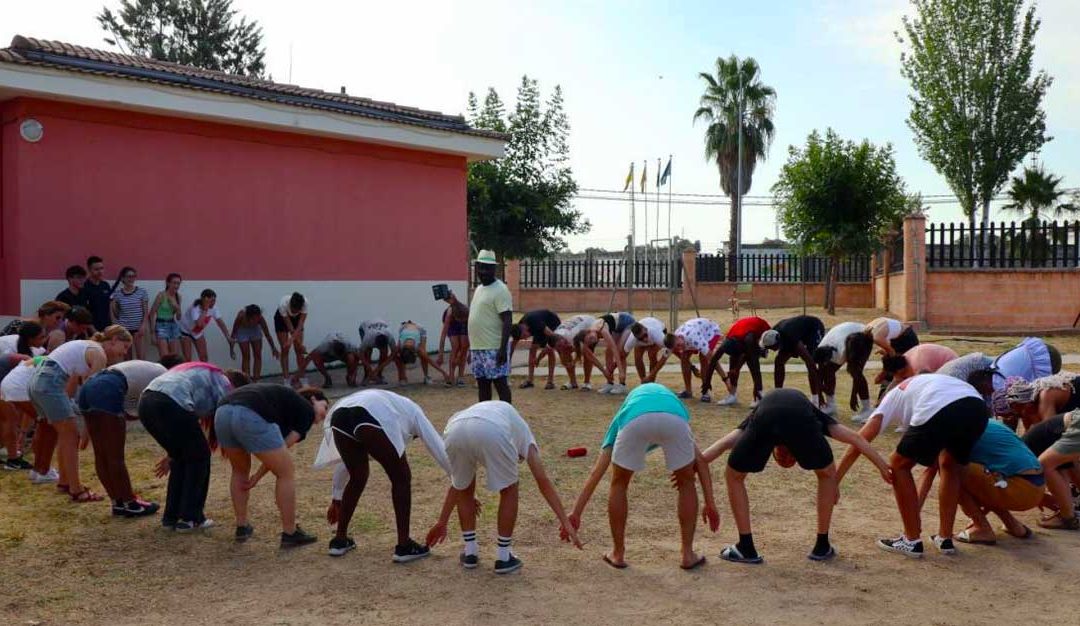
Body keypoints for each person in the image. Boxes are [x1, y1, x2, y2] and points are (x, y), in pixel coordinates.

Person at [702, 388, 892, 563]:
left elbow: (721, 445)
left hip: (773, 412)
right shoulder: (808, 416)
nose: (786, 457)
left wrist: (883, 466)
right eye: (787, 457)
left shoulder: (759, 418)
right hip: (793, 412)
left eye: (788, 456)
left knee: (734, 475)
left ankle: (746, 547)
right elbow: (855, 438)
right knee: (826, 473)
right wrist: (882, 466)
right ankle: (822, 546)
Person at [835, 374, 989, 558]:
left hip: (941, 405)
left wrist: (834, 480)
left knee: (898, 464)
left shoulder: (890, 400)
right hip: (978, 409)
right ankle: (945, 538)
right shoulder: (924, 383)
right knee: (949, 465)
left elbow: (858, 441)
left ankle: (911, 540)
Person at [568, 383, 720, 569]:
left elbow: (597, 471)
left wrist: (576, 512)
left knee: (619, 483)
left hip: (635, 420)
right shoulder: (672, 404)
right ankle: (687, 554)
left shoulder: (627, 410)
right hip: (674, 421)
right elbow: (701, 462)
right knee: (686, 482)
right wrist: (710, 502)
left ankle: (618, 553)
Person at [426, 401, 581, 573]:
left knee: (465, 487)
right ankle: (504, 556)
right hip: (491, 429)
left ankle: (470, 552)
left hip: (454, 428)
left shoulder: (505, 417)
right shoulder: (525, 437)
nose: (518, 461)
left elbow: (457, 485)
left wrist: (442, 521)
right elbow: (542, 481)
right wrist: (564, 521)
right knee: (510, 488)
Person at [313, 389, 454, 561]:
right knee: (401, 477)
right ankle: (404, 545)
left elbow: (344, 465)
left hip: (339, 414)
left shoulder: (395, 404)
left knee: (358, 475)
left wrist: (336, 497)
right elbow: (438, 447)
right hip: (370, 414)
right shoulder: (415, 412)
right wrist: (459, 483)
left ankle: (339, 540)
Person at [139, 362, 249, 532]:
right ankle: (191, 518)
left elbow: (187, 425)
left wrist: (171, 453)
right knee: (200, 457)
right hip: (172, 402)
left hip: (146, 402)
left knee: (182, 458)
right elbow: (226, 415)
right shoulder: (224, 384)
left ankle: (171, 517)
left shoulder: (202, 373)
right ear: (237, 387)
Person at [214, 383, 327, 548]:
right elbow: (280, 456)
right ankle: (290, 533)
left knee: (239, 471)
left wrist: (255, 478)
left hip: (222, 412)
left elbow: (274, 454)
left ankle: (242, 527)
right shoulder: (306, 411)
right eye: (325, 406)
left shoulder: (283, 405)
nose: (324, 415)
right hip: (248, 413)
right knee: (286, 473)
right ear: (313, 399)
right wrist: (257, 478)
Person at [28, 327, 133, 503]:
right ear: (114, 339)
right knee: (70, 436)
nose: (125, 353)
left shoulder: (86, 347)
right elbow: (92, 394)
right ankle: (76, 489)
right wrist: (86, 431)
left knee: (65, 434)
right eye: (125, 346)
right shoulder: (99, 354)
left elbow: (74, 385)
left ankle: (64, 482)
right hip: (49, 383)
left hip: (37, 383)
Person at [921, 420, 1044, 544]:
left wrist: (912, 524)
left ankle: (981, 527)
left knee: (950, 470)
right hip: (1035, 486)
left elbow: (928, 475)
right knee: (985, 476)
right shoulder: (986, 421)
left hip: (1018, 488)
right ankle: (1013, 525)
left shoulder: (955, 429)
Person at [76, 359, 168, 517]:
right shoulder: (165, 377)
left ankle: (117, 502)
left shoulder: (146, 372)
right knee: (115, 456)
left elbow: (131, 409)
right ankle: (130, 503)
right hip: (108, 387)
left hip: (88, 387)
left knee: (101, 454)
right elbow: (155, 411)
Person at [0, 323, 48, 470]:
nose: (44, 340)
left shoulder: (34, 353)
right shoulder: (24, 357)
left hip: (5, 382)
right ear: (30, 339)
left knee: (8, 418)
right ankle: (13, 459)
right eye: (41, 337)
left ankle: (10, 453)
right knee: (11, 418)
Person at [468, 250, 513, 403]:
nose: (484, 271)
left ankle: (507, 418)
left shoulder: (501, 290)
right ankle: (485, 418)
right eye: (481, 267)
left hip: (494, 347)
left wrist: (502, 349)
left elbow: (507, 320)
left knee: (500, 384)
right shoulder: (479, 289)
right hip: (478, 347)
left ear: (494, 269)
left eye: (488, 268)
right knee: (482, 385)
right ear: (477, 267)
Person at [1022, 412, 1080, 530]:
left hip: (1075, 424)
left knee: (1044, 464)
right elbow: (1070, 470)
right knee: (1053, 465)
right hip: (1070, 423)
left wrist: (1038, 497)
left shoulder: (1021, 454)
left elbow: (1018, 481)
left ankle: (1067, 518)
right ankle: (1067, 514)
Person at [1, 356, 52, 481]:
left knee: (10, 418)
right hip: (11, 385)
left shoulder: (38, 360)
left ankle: (33, 466)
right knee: (44, 423)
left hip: (8, 384)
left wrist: (23, 434)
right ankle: (17, 461)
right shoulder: (47, 363)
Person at [652, 318, 727, 401]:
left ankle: (705, 392)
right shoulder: (674, 341)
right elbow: (663, 359)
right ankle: (688, 391)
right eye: (676, 348)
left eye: (679, 345)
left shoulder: (693, 337)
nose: (680, 349)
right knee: (684, 357)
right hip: (693, 334)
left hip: (710, 332)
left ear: (678, 337)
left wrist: (725, 379)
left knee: (703, 358)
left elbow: (712, 358)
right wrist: (651, 375)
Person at [704, 316, 770, 407]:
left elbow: (750, 358)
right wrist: (707, 381)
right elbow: (713, 361)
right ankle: (732, 395)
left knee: (753, 364)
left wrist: (737, 369)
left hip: (759, 331)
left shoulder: (749, 340)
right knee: (733, 365)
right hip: (740, 333)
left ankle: (759, 395)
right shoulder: (726, 344)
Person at [812, 321, 874, 421]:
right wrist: (819, 394)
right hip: (843, 334)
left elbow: (857, 373)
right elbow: (819, 374)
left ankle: (867, 409)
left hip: (864, 336)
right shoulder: (822, 348)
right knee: (827, 371)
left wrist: (853, 395)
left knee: (856, 372)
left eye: (825, 362)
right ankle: (831, 405)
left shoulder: (845, 350)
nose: (824, 365)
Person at [759, 315, 826, 400]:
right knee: (779, 361)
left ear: (777, 344)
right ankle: (778, 394)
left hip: (813, 328)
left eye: (771, 348)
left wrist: (820, 394)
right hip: (795, 332)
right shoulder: (773, 333)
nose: (771, 350)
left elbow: (810, 364)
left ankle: (816, 398)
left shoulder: (792, 339)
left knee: (812, 360)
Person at [992, 373, 1080, 433]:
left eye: (1015, 415)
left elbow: (1053, 434)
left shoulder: (1045, 397)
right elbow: (1029, 435)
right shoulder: (1027, 403)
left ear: (1016, 404)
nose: (1017, 418)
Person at [574, 316, 632, 396]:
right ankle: (610, 383)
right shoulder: (587, 339)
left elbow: (614, 349)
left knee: (620, 351)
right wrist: (604, 372)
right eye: (590, 342)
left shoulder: (602, 330)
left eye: (591, 338)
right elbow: (592, 358)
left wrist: (620, 371)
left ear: (589, 331)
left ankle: (622, 384)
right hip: (615, 327)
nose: (593, 340)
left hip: (626, 322)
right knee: (608, 352)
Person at [179, 289, 235, 363]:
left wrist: (228, 336)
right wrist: (205, 309)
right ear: (204, 300)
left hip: (197, 333)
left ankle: (205, 373)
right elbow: (199, 324)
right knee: (187, 359)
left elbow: (220, 323)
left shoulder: (214, 308)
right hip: (185, 332)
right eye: (211, 301)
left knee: (204, 357)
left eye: (214, 301)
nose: (213, 303)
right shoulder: (195, 308)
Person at [510, 309, 561, 390]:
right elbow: (513, 345)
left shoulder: (536, 322)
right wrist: (508, 363)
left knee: (550, 350)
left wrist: (539, 358)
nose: (526, 339)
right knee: (532, 349)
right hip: (539, 325)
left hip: (552, 323)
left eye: (524, 336)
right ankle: (530, 380)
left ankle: (550, 382)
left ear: (524, 329)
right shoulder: (519, 327)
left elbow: (553, 337)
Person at [109, 266, 149, 360]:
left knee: (141, 358)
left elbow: (145, 311)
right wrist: (116, 325)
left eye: (133, 276)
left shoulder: (142, 292)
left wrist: (143, 325)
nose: (131, 279)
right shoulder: (117, 294)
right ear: (123, 278)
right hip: (124, 330)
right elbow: (112, 310)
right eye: (128, 276)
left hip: (138, 328)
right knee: (127, 358)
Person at [230, 305, 279, 382]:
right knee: (246, 356)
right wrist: (231, 349)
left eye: (257, 318)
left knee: (258, 354)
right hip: (242, 331)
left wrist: (273, 348)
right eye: (253, 319)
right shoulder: (241, 317)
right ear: (248, 316)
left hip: (255, 330)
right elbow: (233, 333)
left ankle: (256, 380)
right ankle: (247, 380)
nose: (256, 320)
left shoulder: (260, 319)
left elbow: (267, 334)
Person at [876, 344, 959, 387]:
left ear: (901, 370)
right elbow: (896, 383)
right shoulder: (903, 360)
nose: (901, 377)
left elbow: (925, 386)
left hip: (951, 367)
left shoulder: (919, 366)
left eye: (903, 375)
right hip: (935, 369)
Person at [549, 315, 596, 390]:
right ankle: (572, 382)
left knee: (587, 353)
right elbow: (562, 355)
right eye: (559, 347)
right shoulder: (555, 338)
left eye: (562, 345)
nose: (561, 348)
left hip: (589, 323)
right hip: (577, 323)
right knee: (566, 354)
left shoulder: (571, 336)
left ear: (563, 340)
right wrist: (566, 361)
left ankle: (587, 382)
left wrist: (573, 362)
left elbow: (580, 352)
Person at [435, 292, 470, 388]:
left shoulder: (467, 313)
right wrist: (440, 354)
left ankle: (461, 377)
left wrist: (466, 354)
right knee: (455, 347)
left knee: (463, 348)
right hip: (453, 324)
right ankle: (451, 377)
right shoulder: (449, 314)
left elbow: (466, 344)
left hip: (465, 324)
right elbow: (443, 336)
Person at [274, 292, 309, 384]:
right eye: (293, 310)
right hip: (282, 320)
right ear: (290, 305)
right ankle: (286, 379)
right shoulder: (283, 305)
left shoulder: (305, 304)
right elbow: (290, 327)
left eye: (297, 311)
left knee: (299, 351)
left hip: (297, 321)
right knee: (285, 349)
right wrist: (291, 341)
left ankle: (302, 377)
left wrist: (300, 345)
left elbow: (300, 325)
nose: (294, 312)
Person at [622, 316, 666, 385]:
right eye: (641, 338)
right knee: (637, 357)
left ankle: (651, 381)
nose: (645, 339)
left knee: (651, 354)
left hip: (659, 330)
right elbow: (623, 355)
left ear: (646, 329)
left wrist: (652, 374)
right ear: (635, 337)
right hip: (644, 334)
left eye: (645, 335)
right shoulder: (632, 340)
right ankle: (643, 381)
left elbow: (670, 348)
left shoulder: (657, 335)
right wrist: (614, 366)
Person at [148, 273, 183, 359]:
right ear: (168, 283)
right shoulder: (161, 295)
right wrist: (152, 333)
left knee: (175, 357)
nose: (176, 285)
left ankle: (173, 372)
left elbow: (178, 317)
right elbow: (152, 314)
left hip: (173, 325)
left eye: (178, 283)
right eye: (174, 283)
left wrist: (177, 307)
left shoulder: (178, 296)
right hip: (161, 325)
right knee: (165, 357)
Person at [0, 300, 69, 338]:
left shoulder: (48, 332)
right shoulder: (19, 325)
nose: (60, 321)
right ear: (46, 315)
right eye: (58, 318)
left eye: (62, 319)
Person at [358, 319, 396, 385]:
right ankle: (367, 375)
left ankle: (379, 375)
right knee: (368, 352)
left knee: (384, 353)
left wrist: (378, 368)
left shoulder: (390, 337)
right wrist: (369, 367)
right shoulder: (367, 339)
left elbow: (393, 353)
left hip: (380, 324)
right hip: (364, 327)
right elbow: (361, 354)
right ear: (374, 343)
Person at [84, 256, 113, 332]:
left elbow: (109, 306)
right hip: (91, 329)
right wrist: (93, 330)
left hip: (107, 327)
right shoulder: (84, 287)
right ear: (89, 270)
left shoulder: (105, 285)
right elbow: (84, 311)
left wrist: (112, 324)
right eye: (96, 269)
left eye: (101, 268)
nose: (100, 271)